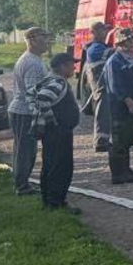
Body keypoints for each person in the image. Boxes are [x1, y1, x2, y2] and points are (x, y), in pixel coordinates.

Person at [34, 52, 82, 213]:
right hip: (58, 131)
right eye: (71, 64)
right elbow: (42, 98)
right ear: (62, 66)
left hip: (54, 132)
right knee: (60, 166)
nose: (74, 67)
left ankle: (49, 201)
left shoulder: (50, 79)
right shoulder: (57, 82)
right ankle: (56, 202)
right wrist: (51, 121)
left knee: (50, 164)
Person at [8, 27, 52, 197]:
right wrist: (41, 115)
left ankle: (23, 182)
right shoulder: (32, 62)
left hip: (24, 111)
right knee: (25, 150)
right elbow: (33, 93)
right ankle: (21, 185)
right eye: (44, 37)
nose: (47, 42)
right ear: (32, 40)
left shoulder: (35, 59)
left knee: (27, 149)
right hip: (24, 112)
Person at [103, 28, 133, 184]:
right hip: (119, 108)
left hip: (130, 107)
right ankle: (118, 174)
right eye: (129, 40)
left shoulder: (131, 59)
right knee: (119, 140)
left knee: (128, 138)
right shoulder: (115, 62)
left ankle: (126, 170)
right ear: (120, 42)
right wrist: (130, 103)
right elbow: (116, 87)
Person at [84, 21, 112, 154]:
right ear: (93, 32)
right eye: (101, 30)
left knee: (105, 113)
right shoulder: (95, 49)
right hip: (101, 86)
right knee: (102, 113)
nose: (105, 32)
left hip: (104, 86)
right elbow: (110, 55)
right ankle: (100, 142)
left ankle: (104, 140)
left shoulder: (100, 47)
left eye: (105, 30)